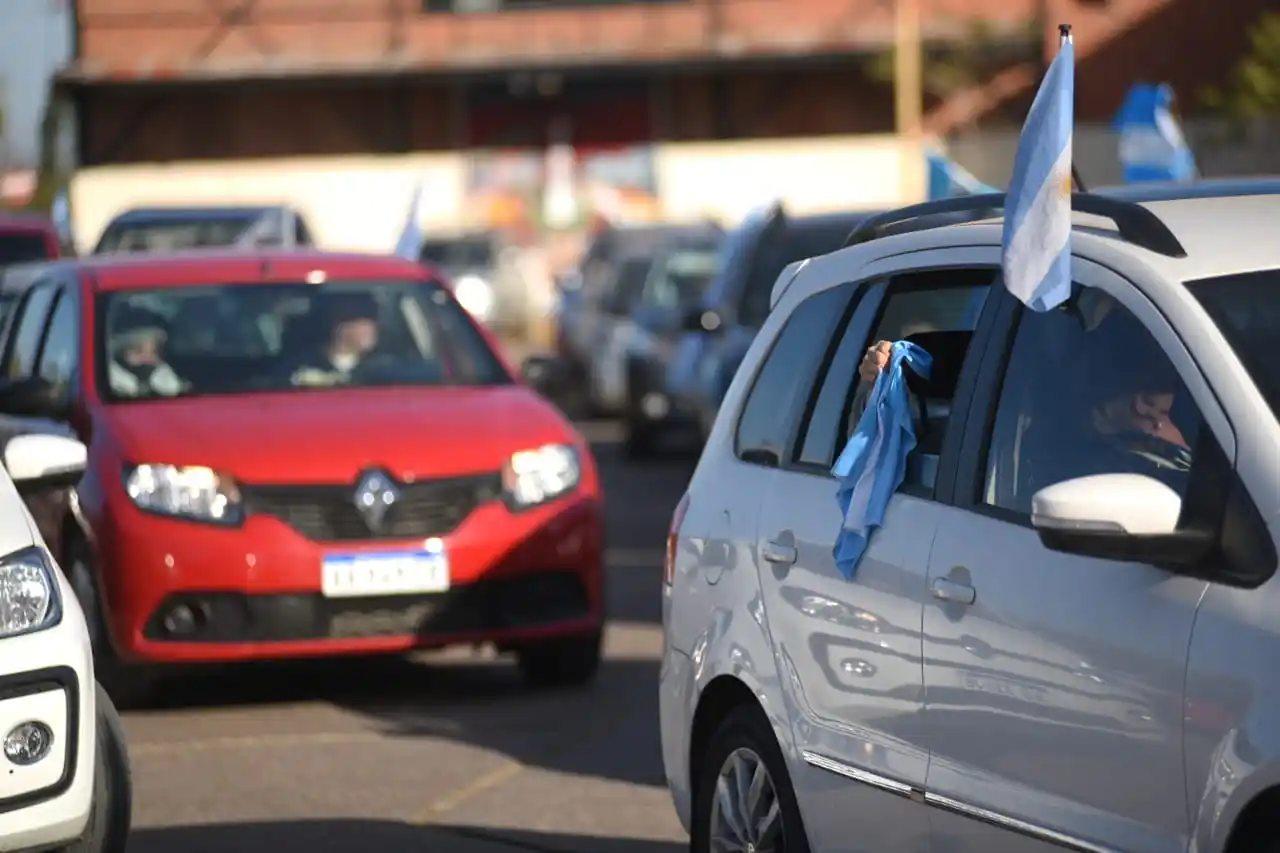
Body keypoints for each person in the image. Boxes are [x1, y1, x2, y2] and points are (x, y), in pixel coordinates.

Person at [286, 293, 382, 387]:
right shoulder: (301, 369)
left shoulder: (384, 371)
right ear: (339, 326)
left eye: (372, 321)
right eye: (361, 322)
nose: (371, 329)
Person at [108, 307, 188, 398]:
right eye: (137, 350)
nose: (147, 358)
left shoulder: (177, 389)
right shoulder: (104, 394)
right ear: (119, 352)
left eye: (155, 352)